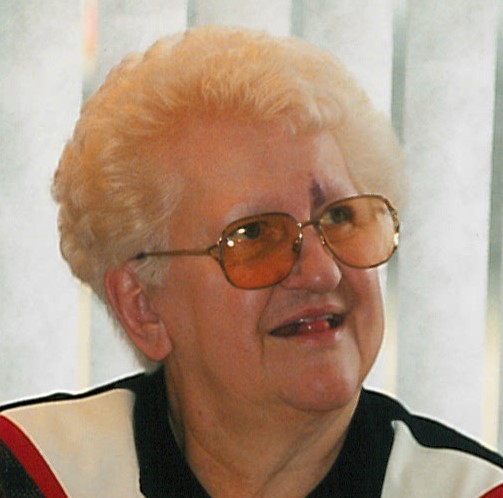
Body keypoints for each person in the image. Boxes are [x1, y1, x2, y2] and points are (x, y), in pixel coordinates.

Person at [0, 25, 502, 498]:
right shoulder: (29, 475)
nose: (323, 271)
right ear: (142, 307)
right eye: (255, 234)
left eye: (340, 217)